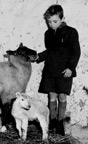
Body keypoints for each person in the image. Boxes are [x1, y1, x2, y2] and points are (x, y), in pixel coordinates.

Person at [36, 4, 81, 136]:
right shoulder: (48, 34)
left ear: (62, 18)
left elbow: (76, 52)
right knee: (51, 95)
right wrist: (38, 57)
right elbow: (50, 52)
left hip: (64, 71)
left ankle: (60, 122)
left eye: (55, 21)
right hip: (50, 70)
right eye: (49, 22)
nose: (52, 24)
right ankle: (52, 121)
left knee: (62, 96)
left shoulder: (71, 32)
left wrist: (70, 68)